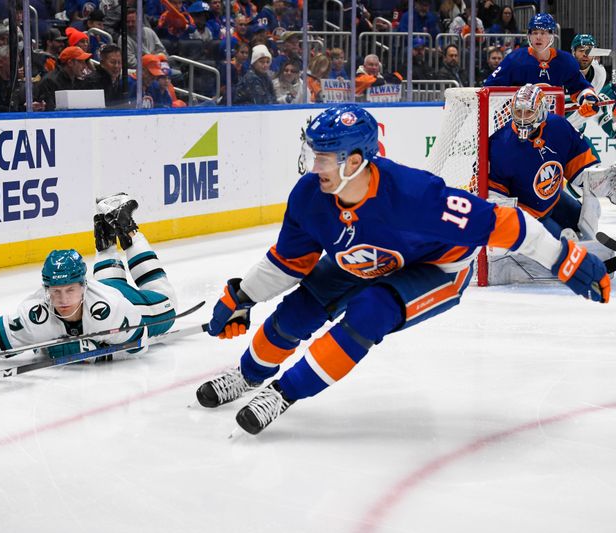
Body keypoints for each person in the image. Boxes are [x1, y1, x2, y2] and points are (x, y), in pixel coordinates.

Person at [195, 104, 610, 435]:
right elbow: (288, 262)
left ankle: (283, 394)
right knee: (301, 306)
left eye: (323, 157)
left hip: (438, 267)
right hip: (365, 256)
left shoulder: (415, 196)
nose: (314, 166)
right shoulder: (309, 197)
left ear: (355, 161)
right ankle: (248, 374)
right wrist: (242, 295)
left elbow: (506, 223)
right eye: (312, 154)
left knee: (371, 311)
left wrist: (563, 258)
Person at [0, 194, 178, 376]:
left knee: (167, 304)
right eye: (56, 292)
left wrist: (91, 353)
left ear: (83, 286)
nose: (63, 299)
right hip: (103, 289)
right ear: (47, 290)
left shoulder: (111, 309)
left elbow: (139, 342)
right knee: (109, 283)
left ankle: (128, 229)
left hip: (128, 301)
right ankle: (105, 231)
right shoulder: (35, 313)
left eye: (70, 290)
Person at [488, 84, 601, 240]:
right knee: (561, 245)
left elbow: (579, 166)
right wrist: (516, 225)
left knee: (587, 217)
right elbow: (496, 194)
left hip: (554, 199)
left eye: (528, 112)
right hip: (530, 214)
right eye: (518, 112)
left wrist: (598, 182)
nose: (522, 118)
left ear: (541, 111)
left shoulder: (558, 127)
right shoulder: (500, 144)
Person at [484, 13, 599, 118]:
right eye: (534, 33)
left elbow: (580, 87)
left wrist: (588, 99)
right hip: (517, 123)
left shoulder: (565, 61)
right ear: (529, 35)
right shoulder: (514, 59)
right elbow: (489, 89)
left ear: (551, 35)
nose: (538, 37)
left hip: (549, 123)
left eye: (543, 33)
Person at [36, 45, 89, 111]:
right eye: (81, 62)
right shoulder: (50, 81)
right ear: (70, 63)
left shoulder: (78, 80)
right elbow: (50, 111)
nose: (84, 66)